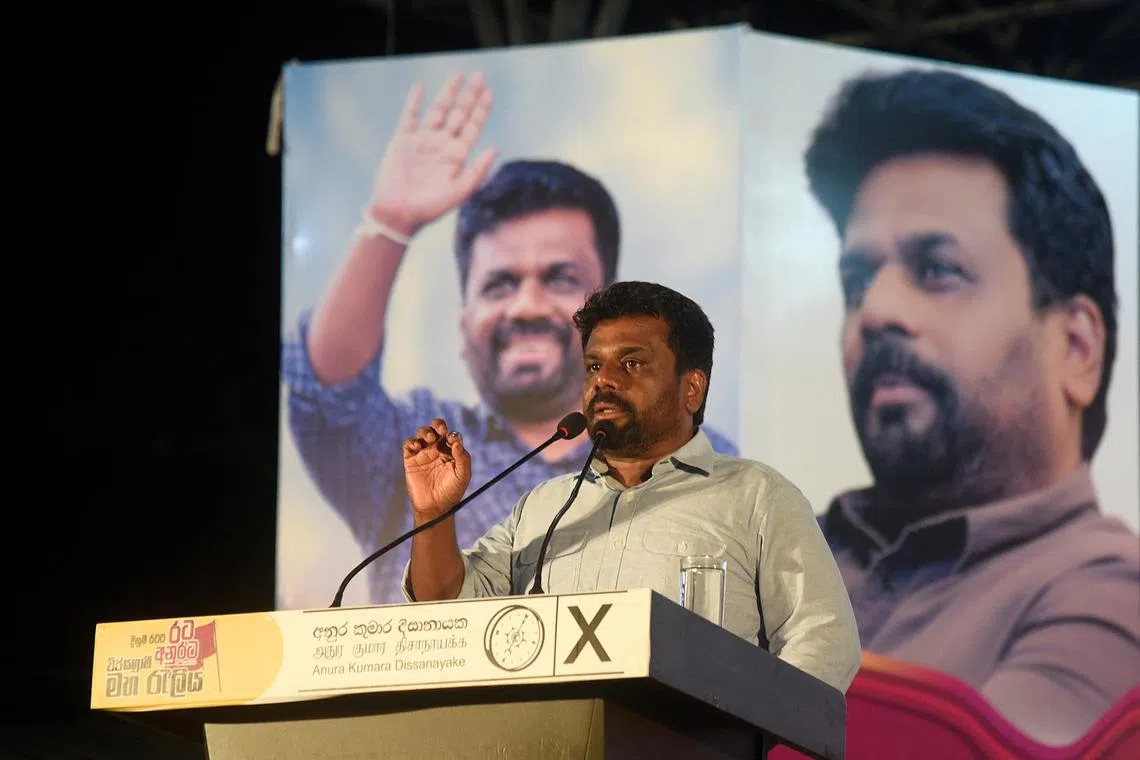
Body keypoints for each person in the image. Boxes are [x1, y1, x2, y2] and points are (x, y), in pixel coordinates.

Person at [281, 73, 738, 605]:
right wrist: (388, 224)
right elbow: (324, 392)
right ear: (462, 321)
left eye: (560, 278)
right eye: (500, 283)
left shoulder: (704, 464)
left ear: (605, 311)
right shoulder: (416, 446)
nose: (526, 306)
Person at [802, 67, 1140, 744]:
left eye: (938, 270)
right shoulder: (782, 550)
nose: (876, 311)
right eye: (857, 280)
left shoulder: (1108, 597)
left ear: (1076, 347)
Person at [398, 281, 861, 695]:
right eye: (594, 365)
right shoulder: (544, 506)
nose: (605, 382)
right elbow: (446, 611)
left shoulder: (756, 497)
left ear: (692, 389)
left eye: (632, 363)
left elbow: (823, 643)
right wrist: (432, 515)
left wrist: (734, 732)